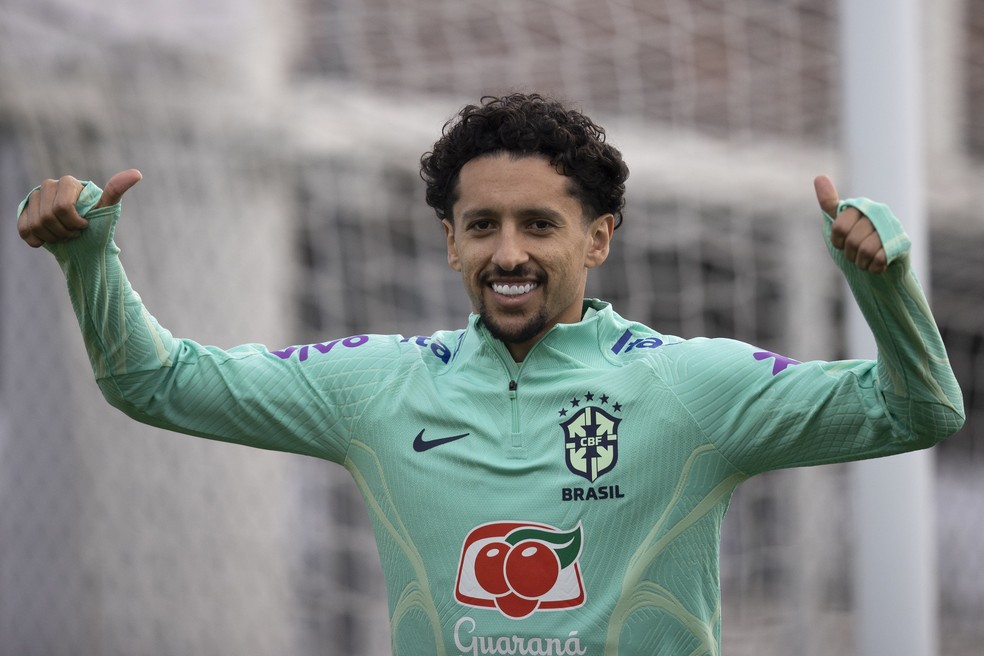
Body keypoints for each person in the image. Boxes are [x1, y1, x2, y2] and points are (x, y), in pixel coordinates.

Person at [16, 93, 964, 655]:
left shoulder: (692, 385)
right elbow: (155, 382)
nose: (508, 253)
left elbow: (920, 410)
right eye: (482, 226)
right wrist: (89, 260)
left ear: (598, 237)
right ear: (450, 242)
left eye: (539, 224)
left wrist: (885, 289)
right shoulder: (379, 386)